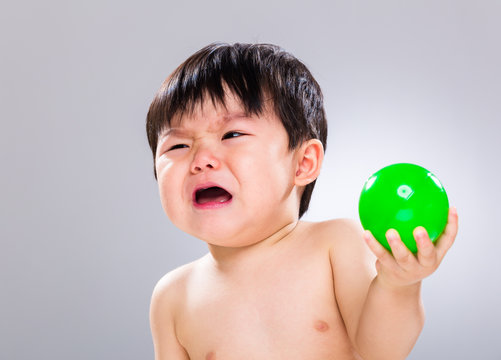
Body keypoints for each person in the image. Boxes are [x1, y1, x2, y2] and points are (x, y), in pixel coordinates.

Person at [145, 42, 458, 360]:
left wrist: (398, 284)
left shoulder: (334, 245)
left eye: (232, 135)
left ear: (303, 163)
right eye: (178, 146)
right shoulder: (172, 297)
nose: (201, 159)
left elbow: (381, 351)